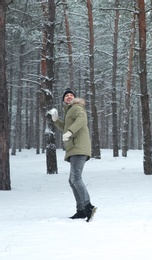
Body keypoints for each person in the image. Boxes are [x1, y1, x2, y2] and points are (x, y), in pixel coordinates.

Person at [48, 88, 97, 222]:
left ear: (74, 98)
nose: (69, 97)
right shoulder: (69, 111)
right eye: (66, 96)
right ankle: (81, 210)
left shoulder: (77, 107)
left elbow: (82, 120)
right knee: (72, 180)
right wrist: (56, 119)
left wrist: (69, 132)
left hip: (79, 147)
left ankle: (88, 206)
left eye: (71, 95)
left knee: (76, 178)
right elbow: (64, 126)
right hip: (74, 148)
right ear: (63, 99)